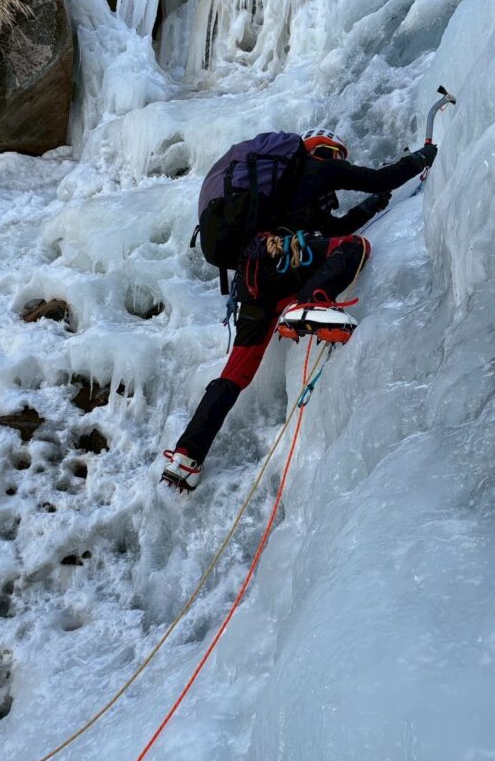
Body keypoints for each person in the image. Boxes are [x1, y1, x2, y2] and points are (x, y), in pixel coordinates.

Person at [161, 128, 438, 490]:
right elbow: (380, 178)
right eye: (338, 156)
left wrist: (371, 206)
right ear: (326, 150)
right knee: (354, 247)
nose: (340, 163)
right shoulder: (318, 167)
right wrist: (422, 157)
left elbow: (333, 228)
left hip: (255, 282)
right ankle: (312, 302)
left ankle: (187, 455)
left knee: (235, 374)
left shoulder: (291, 198)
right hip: (281, 263)